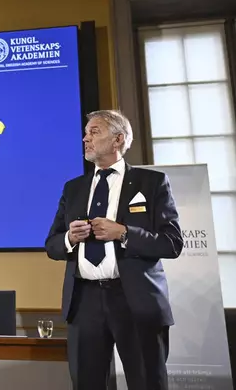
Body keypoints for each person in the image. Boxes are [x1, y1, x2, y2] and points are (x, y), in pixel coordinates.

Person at [45, 110, 183, 390]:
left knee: (147, 381)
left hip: (134, 299)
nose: (85, 138)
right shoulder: (73, 189)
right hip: (83, 302)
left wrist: (123, 232)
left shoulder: (151, 183)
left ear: (118, 139)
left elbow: (172, 242)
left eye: (94, 132)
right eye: (86, 132)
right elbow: (52, 245)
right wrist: (70, 238)